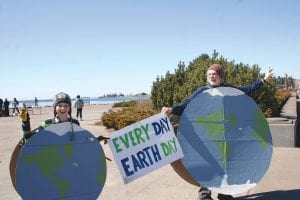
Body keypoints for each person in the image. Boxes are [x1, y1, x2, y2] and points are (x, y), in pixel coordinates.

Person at [161, 64, 274, 200]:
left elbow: (248, 90)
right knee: (207, 163)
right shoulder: (202, 91)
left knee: (226, 163)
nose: (211, 76)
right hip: (207, 134)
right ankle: (204, 194)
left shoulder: (229, 89)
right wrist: (171, 109)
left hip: (226, 133)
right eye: (209, 74)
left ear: (220, 75)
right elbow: (186, 104)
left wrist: (264, 80)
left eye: (214, 74)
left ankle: (224, 193)